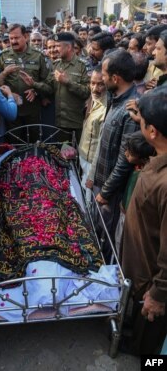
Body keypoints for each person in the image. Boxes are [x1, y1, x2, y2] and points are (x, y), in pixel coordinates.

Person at [121, 87, 167, 355]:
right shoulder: (156, 160)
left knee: (152, 351)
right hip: (143, 279)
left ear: (152, 132)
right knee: (141, 334)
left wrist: (159, 294)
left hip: (154, 285)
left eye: (143, 121)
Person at [93, 50, 139, 260]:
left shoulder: (131, 111)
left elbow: (124, 160)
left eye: (104, 74)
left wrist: (105, 192)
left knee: (106, 242)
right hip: (101, 183)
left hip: (111, 193)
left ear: (115, 78)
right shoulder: (115, 98)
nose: (101, 78)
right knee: (97, 233)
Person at [19, 32, 90, 143]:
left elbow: (87, 92)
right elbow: (49, 88)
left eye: (58, 46)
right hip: (60, 122)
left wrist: (67, 82)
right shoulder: (56, 65)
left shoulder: (83, 65)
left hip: (78, 122)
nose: (55, 49)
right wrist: (34, 84)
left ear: (69, 47)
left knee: (80, 155)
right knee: (62, 154)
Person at [0, 24, 50, 142]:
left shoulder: (38, 56)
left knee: (34, 141)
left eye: (17, 38)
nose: (13, 41)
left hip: (32, 110)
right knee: (15, 142)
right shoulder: (3, 56)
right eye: (11, 39)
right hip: (11, 110)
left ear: (26, 36)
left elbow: (46, 81)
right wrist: (8, 94)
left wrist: (36, 91)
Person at [114, 130, 155, 255]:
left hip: (131, 218)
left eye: (130, 153)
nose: (126, 154)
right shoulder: (136, 168)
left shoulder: (143, 175)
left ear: (141, 156)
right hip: (124, 211)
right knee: (118, 241)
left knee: (123, 245)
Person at [78, 65, 107, 202]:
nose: (95, 89)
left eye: (101, 84)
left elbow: (101, 145)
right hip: (84, 158)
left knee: (89, 204)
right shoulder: (92, 100)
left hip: (92, 165)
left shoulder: (106, 109)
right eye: (93, 83)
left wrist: (91, 174)